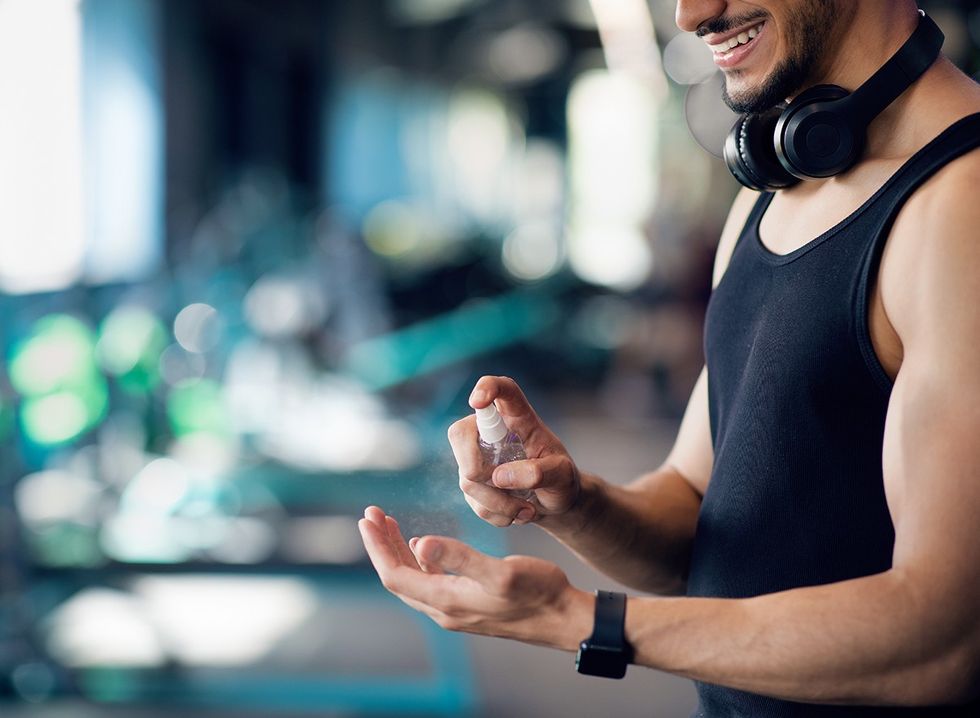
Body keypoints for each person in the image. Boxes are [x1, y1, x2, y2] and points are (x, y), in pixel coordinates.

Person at [358, 1, 980, 713]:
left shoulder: (963, 201)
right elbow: (696, 516)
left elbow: (944, 640)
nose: (692, 15)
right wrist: (570, 502)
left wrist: (580, 620)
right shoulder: (768, 199)